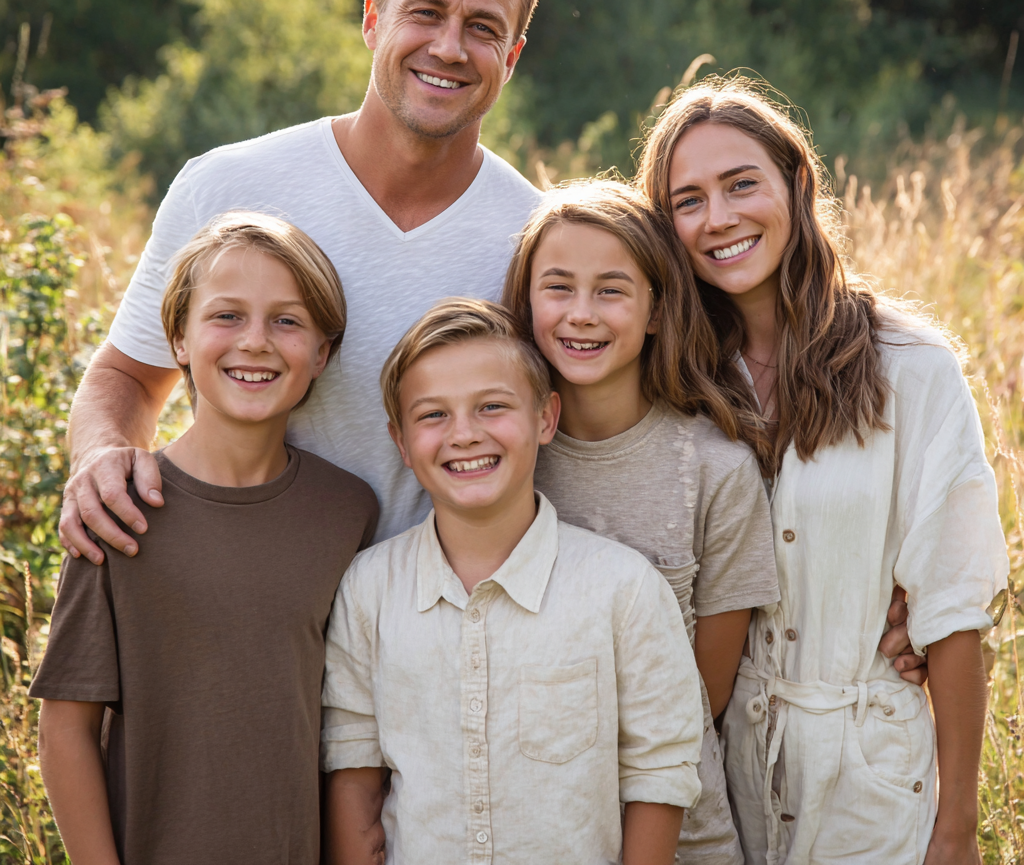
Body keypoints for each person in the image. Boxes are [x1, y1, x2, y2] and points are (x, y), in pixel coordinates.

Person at [59, 0, 544, 563]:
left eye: (483, 27)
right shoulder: (227, 186)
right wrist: (103, 457)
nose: (449, 46)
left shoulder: (533, 239)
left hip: (432, 637)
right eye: (425, 13)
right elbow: (129, 378)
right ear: (372, 20)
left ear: (512, 55)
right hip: (243, 607)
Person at [637, 77, 1010, 865]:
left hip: (873, 783)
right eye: (688, 200)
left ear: (798, 184)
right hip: (723, 781)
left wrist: (956, 830)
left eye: (742, 185)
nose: (721, 218)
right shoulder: (673, 379)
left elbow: (951, 607)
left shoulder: (910, 367)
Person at [30, 213, 379, 865]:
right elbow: (65, 731)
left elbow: (352, 729)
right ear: (179, 341)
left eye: (287, 320)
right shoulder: (119, 506)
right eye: (226, 316)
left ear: (322, 353)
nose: (255, 342)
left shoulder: (347, 511)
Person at [320, 298, 704, 865]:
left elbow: (659, 771)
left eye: (492, 407)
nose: (465, 434)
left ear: (545, 418)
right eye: (432, 415)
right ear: (400, 441)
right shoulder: (368, 589)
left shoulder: (622, 589)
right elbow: (353, 757)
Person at [502, 180, 780, 864]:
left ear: (657, 310)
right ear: (525, 301)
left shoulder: (716, 470)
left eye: (612, 291)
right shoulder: (501, 460)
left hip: (681, 828)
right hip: (527, 815)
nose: (582, 315)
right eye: (559, 288)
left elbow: (703, 694)